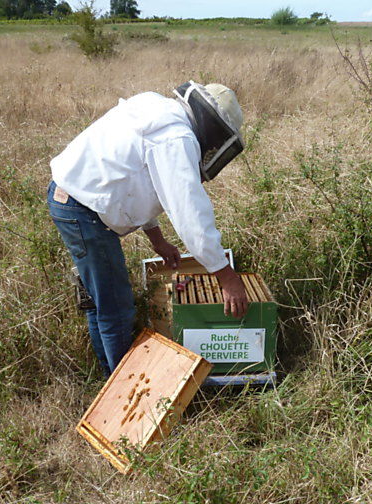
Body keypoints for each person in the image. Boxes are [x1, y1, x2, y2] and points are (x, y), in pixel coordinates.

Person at [47, 81, 248, 377]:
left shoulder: (156, 108)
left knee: (102, 302)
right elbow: (191, 216)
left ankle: (108, 378)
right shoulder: (176, 138)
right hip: (83, 210)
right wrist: (227, 277)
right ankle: (125, 391)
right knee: (116, 308)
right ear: (213, 125)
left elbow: (134, 181)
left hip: (71, 201)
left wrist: (158, 239)